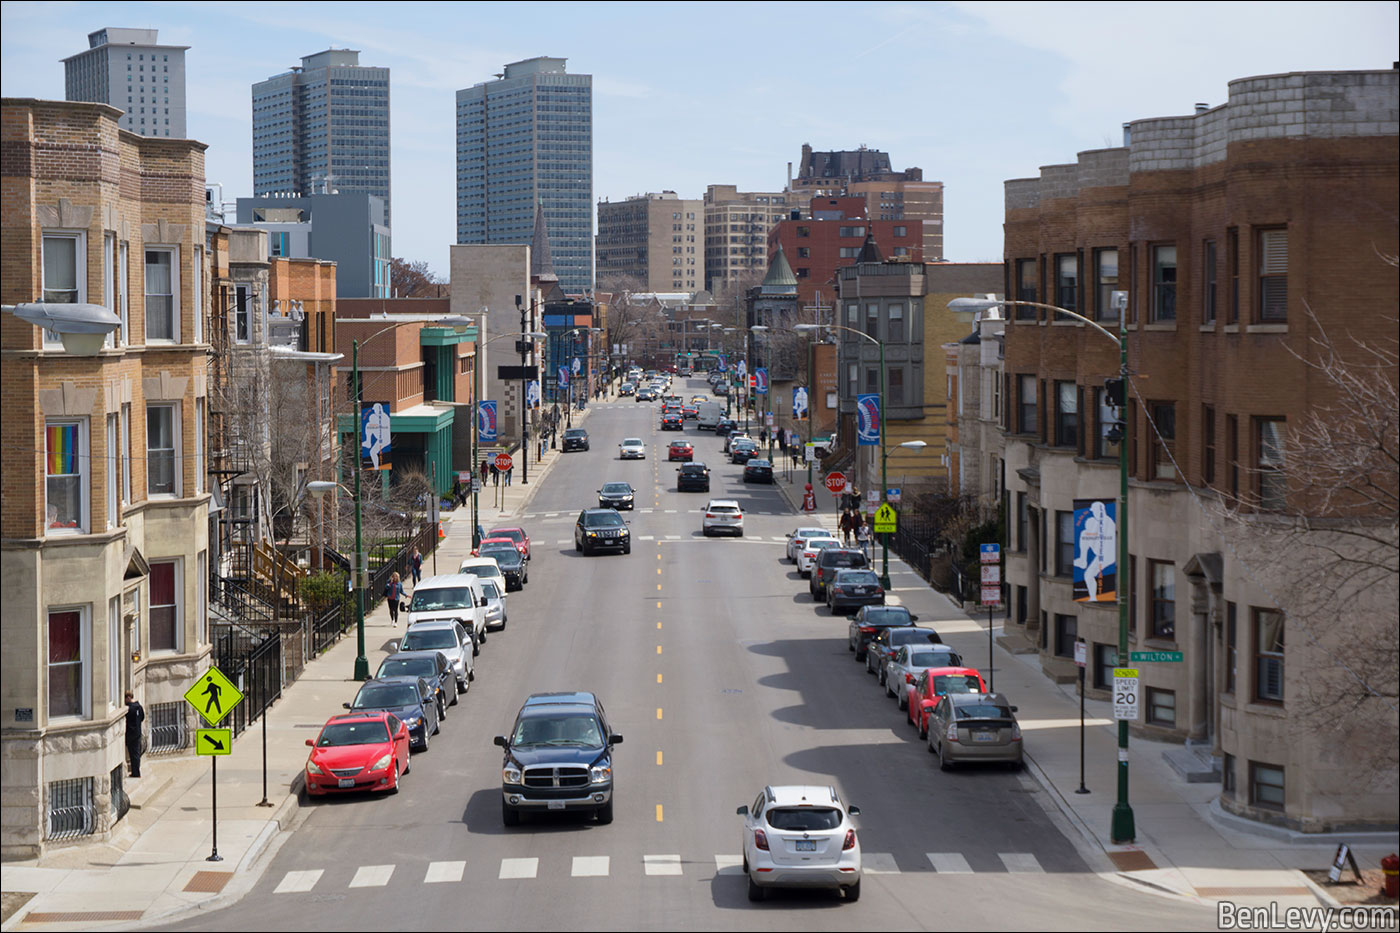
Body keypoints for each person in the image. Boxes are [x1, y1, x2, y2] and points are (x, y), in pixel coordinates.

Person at [124, 691, 145, 778]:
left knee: (133, 754)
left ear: (128, 697)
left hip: (131, 734)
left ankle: (135, 773)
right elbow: (142, 717)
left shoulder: (130, 709)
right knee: (136, 753)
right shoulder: (139, 707)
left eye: (125, 698)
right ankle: (136, 771)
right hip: (138, 732)